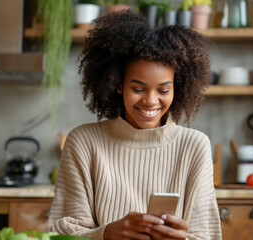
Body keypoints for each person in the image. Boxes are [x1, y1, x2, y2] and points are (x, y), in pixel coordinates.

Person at [47, 10, 221, 240]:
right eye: (138, 89)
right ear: (118, 84)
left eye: (163, 90)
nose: (150, 100)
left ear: (177, 88)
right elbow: (60, 234)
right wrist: (107, 233)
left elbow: (207, 236)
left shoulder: (194, 146)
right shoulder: (84, 142)